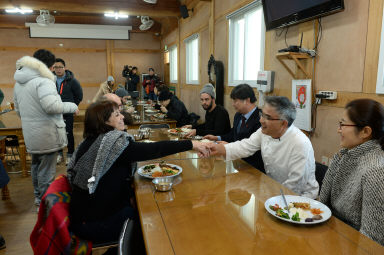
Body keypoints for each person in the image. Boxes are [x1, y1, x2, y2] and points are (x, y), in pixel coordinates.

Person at [67, 100, 209, 251]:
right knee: (154, 220)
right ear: (104, 121)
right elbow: (155, 149)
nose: (122, 117)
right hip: (92, 223)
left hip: (89, 215)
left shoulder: (93, 141)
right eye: (117, 114)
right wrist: (191, 144)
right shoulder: (111, 145)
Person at [207, 96, 319, 199]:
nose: (261, 120)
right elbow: (245, 146)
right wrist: (219, 149)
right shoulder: (265, 132)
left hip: (299, 199)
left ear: (283, 124)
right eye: (262, 114)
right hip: (273, 190)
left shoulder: (300, 143)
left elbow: (295, 186)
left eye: (267, 117)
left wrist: (271, 199)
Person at [13, 49, 78, 207]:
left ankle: (38, 198)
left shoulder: (19, 81)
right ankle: (46, 204)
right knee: (46, 171)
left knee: (36, 166)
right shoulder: (44, 80)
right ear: (47, 66)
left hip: (31, 132)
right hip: (46, 134)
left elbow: (18, 109)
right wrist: (72, 106)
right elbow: (51, 106)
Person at [319, 99, 384, 245]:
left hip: (349, 243)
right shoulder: (344, 154)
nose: (338, 129)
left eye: (343, 124)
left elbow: (371, 241)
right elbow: (322, 202)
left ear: (365, 131)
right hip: (329, 233)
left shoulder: (376, 171)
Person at [204, 84, 264, 172]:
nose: (233, 104)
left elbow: (251, 146)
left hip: (252, 167)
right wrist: (217, 137)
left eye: (235, 101)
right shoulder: (238, 115)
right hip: (236, 163)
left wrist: (228, 147)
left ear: (247, 100)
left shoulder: (260, 119)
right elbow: (233, 134)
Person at [53, 58, 83, 165]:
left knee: (68, 133)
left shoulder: (72, 80)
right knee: (56, 134)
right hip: (54, 112)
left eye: (60, 67)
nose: (58, 69)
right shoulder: (50, 80)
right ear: (53, 68)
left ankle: (70, 154)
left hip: (67, 113)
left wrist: (73, 107)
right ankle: (59, 154)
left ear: (65, 68)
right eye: (56, 67)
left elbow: (79, 96)